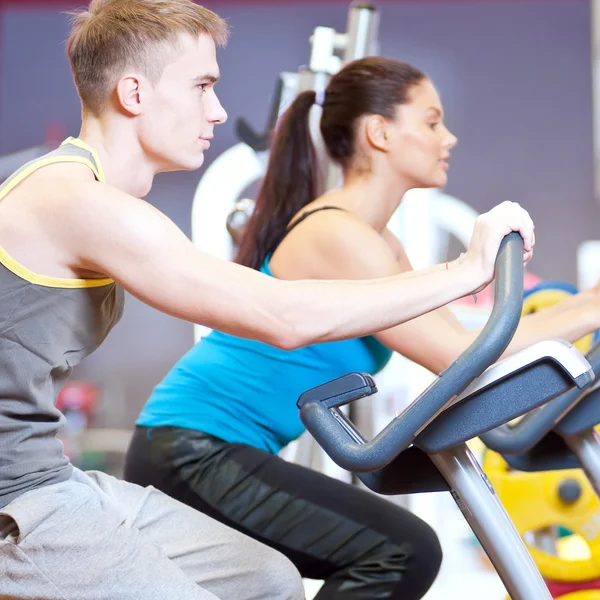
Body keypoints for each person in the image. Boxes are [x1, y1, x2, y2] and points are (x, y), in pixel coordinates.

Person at [0, 0, 535, 598]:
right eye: (202, 86)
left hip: (53, 477)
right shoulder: (81, 202)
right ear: (134, 93)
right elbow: (282, 316)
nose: (218, 109)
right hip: (16, 500)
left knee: (270, 580)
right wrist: (468, 268)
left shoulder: (63, 185)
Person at [122, 54, 575, 600]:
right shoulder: (339, 235)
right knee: (402, 550)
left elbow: (476, 344)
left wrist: (588, 306)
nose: (448, 137)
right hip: (191, 448)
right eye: (432, 122)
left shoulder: (378, 241)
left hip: (206, 447)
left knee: (396, 549)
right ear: (380, 133)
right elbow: (463, 354)